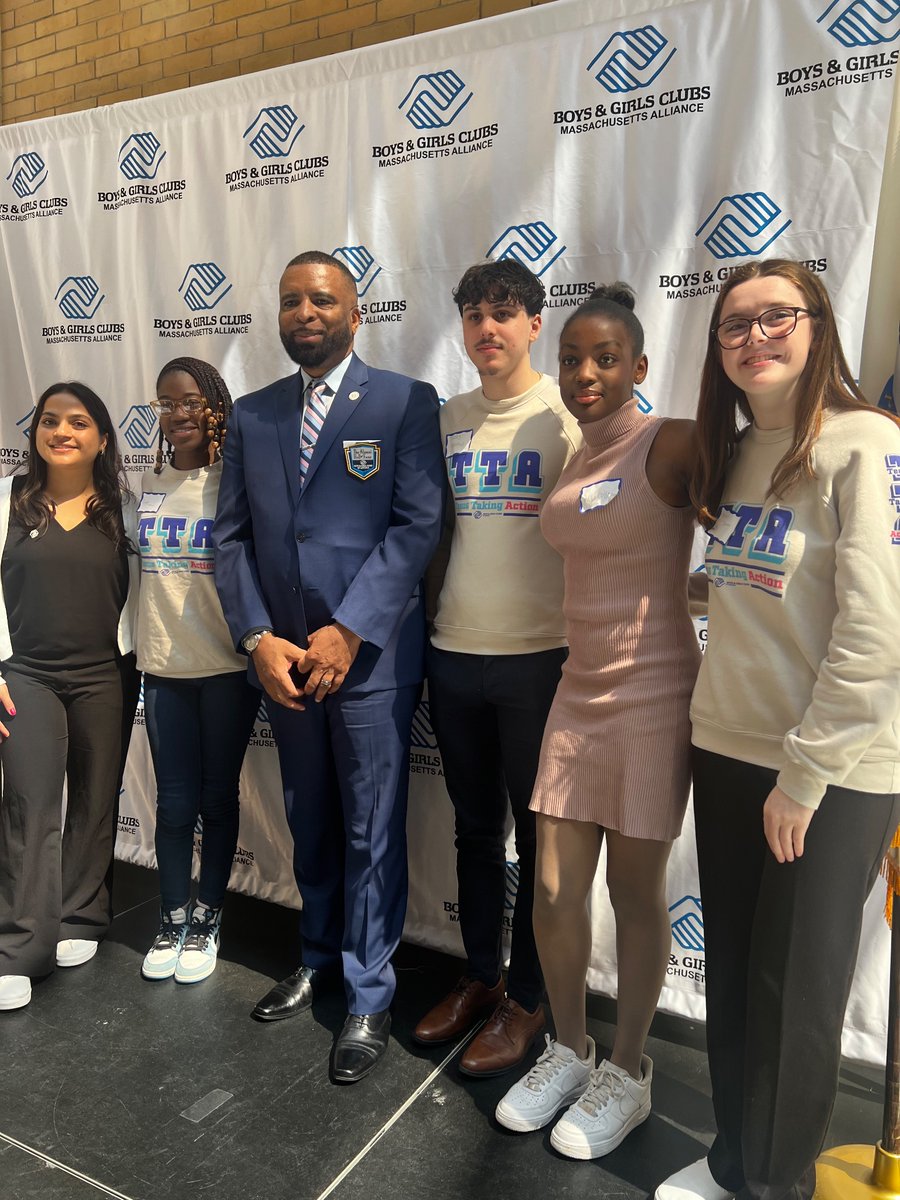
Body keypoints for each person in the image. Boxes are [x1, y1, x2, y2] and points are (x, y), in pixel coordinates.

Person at [656, 260, 900, 1200]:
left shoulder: (863, 443)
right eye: (733, 327)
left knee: (793, 996)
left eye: (776, 318)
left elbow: (878, 637)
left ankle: (776, 1184)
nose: (754, 337)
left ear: (817, 325)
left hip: (825, 775)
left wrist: (805, 776)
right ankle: (734, 1160)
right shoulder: (740, 452)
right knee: (736, 978)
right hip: (727, 751)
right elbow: (757, 602)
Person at [213, 250, 444, 1083]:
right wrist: (255, 638)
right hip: (284, 660)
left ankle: (370, 991)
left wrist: (349, 629)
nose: (304, 312)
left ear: (356, 313)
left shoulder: (405, 402)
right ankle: (316, 956)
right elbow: (229, 537)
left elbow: (416, 527)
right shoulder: (252, 414)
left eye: (321, 299)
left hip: (366, 659)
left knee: (370, 827)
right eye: (289, 301)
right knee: (309, 814)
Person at [495, 284, 700, 1158]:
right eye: (573, 357)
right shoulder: (575, 456)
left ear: (639, 368)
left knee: (634, 891)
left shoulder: (672, 440)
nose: (584, 372)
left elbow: (755, 477)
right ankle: (568, 1050)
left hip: (655, 694)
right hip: (578, 691)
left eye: (605, 358)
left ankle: (628, 1069)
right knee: (548, 886)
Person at [413, 260, 581, 1076]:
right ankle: (480, 976)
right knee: (476, 832)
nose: (488, 328)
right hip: (454, 657)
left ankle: (529, 998)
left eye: (504, 313)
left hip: (539, 663)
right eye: (474, 314)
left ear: (534, 324)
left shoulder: (567, 417)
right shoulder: (446, 419)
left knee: (543, 840)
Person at [0, 382, 139, 1012]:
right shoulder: (8, 501)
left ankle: (81, 916)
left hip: (104, 676)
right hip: (25, 675)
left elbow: (144, 598)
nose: (63, 431)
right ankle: (18, 947)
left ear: (102, 439)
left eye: (79, 422)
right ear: (35, 435)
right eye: (51, 421)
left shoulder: (123, 508)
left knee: (94, 797)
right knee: (29, 807)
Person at [136, 357, 258, 985]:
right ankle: (171, 915)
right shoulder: (146, 487)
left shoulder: (233, 484)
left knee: (216, 796)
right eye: (165, 403)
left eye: (190, 402)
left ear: (215, 407)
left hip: (227, 670)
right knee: (175, 802)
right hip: (163, 669)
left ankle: (208, 916)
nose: (177, 414)